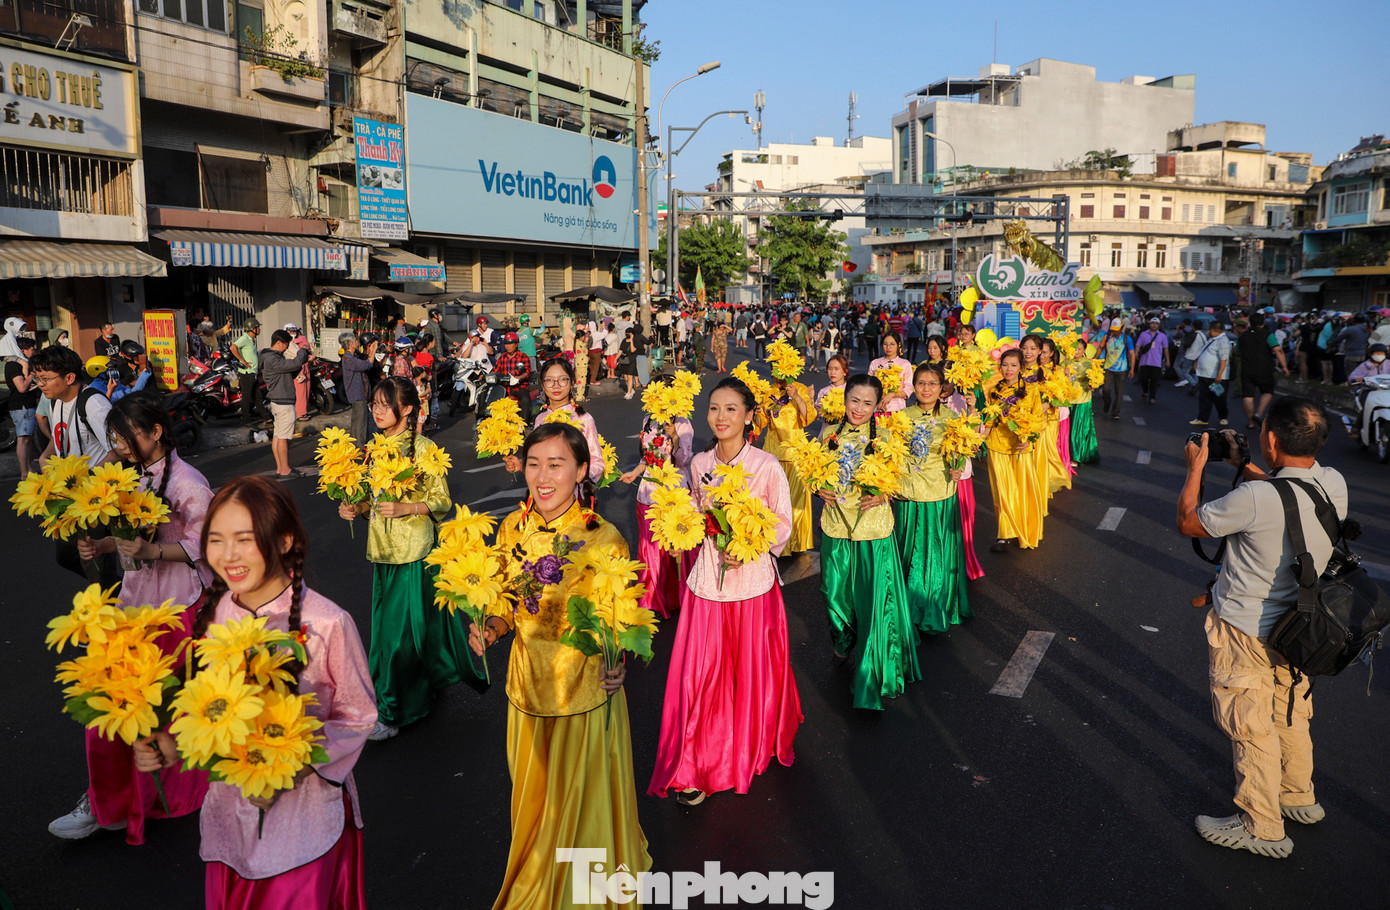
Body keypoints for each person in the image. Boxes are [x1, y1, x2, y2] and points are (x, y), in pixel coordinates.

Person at [135, 476, 376, 905]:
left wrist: (293, 768)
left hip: (303, 824)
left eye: (244, 539)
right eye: (216, 540)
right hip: (231, 817)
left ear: (284, 541)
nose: (228, 556)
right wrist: (173, 745)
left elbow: (357, 716)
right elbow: (208, 707)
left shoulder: (326, 623)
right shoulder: (217, 611)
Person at [470, 423, 651, 906]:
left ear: (582, 471)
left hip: (584, 694)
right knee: (536, 807)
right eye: (534, 464)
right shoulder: (511, 528)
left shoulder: (604, 538)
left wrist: (619, 660)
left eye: (556, 464)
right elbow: (506, 600)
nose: (543, 476)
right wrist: (491, 626)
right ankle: (538, 872)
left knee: (579, 813)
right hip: (527, 692)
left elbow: (619, 615)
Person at [1177, 397, 1347, 859]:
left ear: (1271, 439)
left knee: (1250, 724)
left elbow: (1190, 522)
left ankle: (1262, 826)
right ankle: (1297, 797)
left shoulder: (1253, 498)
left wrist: (1196, 466)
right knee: (1290, 710)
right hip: (1303, 626)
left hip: (1247, 629)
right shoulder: (1333, 482)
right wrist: (1244, 463)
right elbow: (1288, 498)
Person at [52, 392, 214, 844]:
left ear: (156, 432)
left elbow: (208, 547)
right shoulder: (134, 476)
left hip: (175, 613)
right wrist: (103, 545)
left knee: (156, 711)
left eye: (126, 438)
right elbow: (129, 532)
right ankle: (106, 798)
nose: (119, 446)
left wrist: (152, 550)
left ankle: (146, 798)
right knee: (108, 705)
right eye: (115, 439)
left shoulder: (189, 483)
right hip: (130, 605)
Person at [649, 377, 801, 805]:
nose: (720, 417)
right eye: (714, 408)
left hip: (752, 586)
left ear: (749, 416)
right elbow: (698, 516)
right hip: (708, 586)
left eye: (731, 409)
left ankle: (750, 741)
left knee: (751, 675)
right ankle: (697, 763)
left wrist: (750, 545)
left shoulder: (767, 466)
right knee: (704, 676)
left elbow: (781, 524)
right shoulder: (698, 464)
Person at [338, 377, 481, 741]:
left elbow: (442, 501)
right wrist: (355, 506)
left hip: (414, 551)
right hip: (382, 552)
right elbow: (372, 497)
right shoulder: (372, 449)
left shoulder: (423, 448)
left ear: (407, 409)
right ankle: (419, 686)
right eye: (374, 404)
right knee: (394, 630)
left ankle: (392, 711)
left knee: (394, 637)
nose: (378, 411)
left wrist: (406, 507)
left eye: (385, 405)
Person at [817, 374, 920, 711]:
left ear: (878, 407)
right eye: (854, 401)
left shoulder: (887, 437)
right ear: (844, 399)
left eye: (867, 403)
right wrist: (817, 488)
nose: (858, 409)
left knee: (873, 609)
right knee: (834, 598)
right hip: (835, 529)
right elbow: (813, 473)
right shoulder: (828, 434)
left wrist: (883, 495)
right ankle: (842, 641)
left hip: (873, 534)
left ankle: (872, 675)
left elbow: (904, 481)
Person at [897, 363, 971, 633]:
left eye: (932, 383)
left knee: (937, 554)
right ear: (913, 386)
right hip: (910, 494)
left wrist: (958, 465)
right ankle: (911, 606)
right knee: (911, 553)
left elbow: (961, 452)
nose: (926, 389)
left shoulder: (952, 418)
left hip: (940, 493)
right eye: (921, 383)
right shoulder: (901, 417)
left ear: (942, 389)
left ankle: (937, 604)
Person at [619, 410, 694, 620]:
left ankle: (682, 598)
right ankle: (652, 598)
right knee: (650, 547)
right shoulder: (648, 420)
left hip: (674, 491)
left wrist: (675, 436)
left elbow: (683, 460)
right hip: (649, 492)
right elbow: (648, 457)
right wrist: (636, 472)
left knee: (676, 547)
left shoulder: (682, 422)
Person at [984, 350, 1045, 553]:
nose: (1008, 369)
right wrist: (975, 441)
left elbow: (1038, 419)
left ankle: (1025, 530)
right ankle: (1004, 534)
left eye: (1013, 365)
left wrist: (1029, 439)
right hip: (997, 445)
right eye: (1005, 365)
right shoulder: (993, 391)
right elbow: (989, 421)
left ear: (1021, 367)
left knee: (1022, 491)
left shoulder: (1032, 390)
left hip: (1021, 447)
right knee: (1001, 493)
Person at [509, 358, 605, 483]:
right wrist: (522, 466)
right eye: (549, 380)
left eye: (563, 379)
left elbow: (596, 462)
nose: (556, 385)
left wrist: (578, 477)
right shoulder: (540, 419)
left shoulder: (583, 419)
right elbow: (539, 461)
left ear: (572, 383)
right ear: (542, 385)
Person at [32, 345, 113, 468]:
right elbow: (60, 436)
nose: (40, 384)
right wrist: (45, 456)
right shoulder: (55, 400)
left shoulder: (94, 404)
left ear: (69, 378)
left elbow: (118, 451)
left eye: (45, 379)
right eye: (36, 378)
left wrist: (88, 477)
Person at [260, 329, 311, 477]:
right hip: (283, 402)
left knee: (278, 435)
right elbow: (294, 364)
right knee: (282, 437)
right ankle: (285, 469)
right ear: (278, 343)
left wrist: (303, 359)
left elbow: (290, 370)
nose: (287, 348)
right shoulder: (273, 359)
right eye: (286, 345)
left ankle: (280, 468)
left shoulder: (268, 357)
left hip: (277, 401)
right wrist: (303, 350)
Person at [1238, 312, 1290, 428]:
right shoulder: (1268, 335)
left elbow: (1236, 351)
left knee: (1248, 395)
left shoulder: (1242, 335)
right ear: (1263, 323)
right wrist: (1284, 366)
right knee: (1267, 392)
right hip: (1264, 369)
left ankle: (1250, 422)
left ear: (1250, 322)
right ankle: (1258, 413)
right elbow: (1278, 350)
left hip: (1247, 369)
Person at [5, 334, 39, 478]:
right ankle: (24, 472)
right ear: (23, 350)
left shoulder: (22, 363)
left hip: (27, 404)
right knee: (23, 438)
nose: (34, 352)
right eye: (32, 349)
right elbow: (21, 387)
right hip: (22, 406)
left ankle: (29, 468)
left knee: (28, 438)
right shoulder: (14, 365)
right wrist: (31, 374)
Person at [1191, 320, 1232, 428]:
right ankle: (1202, 418)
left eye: (1209, 329)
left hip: (1215, 376)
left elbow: (1224, 359)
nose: (1208, 331)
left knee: (1219, 397)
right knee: (1204, 398)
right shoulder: (1213, 339)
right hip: (1205, 375)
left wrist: (1219, 375)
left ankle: (1223, 417)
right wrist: (1196, 364)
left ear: (1213, 330)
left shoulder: (1223, 341)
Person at [1345, 343, 1390, 440]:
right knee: (1365, 408)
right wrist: (1358, 379)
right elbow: (1353, 376)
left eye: (1381, 353)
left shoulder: (1388, 364)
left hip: (1386, 392)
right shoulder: (1365, 365)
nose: (1379, 355)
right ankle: (1356, 428)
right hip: (1369, 391)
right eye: (1377, 353)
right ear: (1371, 354)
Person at [340, 332, 374, 446]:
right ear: (350, 343)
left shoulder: (352, 356)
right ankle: (359, 449)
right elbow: (367, 364)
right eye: (355, 341)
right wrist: (373, 350)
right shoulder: (348, 358)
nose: (357, 342)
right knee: (360, 424)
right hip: (357, 395)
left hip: (359, 395)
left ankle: (355, 447)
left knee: (357, 423)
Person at [490, 331, 533, 421]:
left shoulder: (523, 357)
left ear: (516, 344)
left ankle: (523, 424)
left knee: (525, 400)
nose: (508, 346)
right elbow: (496, 370)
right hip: (504, 387)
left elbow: (527, 371)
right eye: (506, 344)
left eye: (510, 344)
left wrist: (519, 377)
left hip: (519, 387)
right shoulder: (502, 357)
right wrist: (488, 375)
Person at [867, 332, 914, 412]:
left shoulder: (905, 364)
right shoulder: (875, 363)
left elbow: (908, 388)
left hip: (897, 407)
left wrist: (892, 395)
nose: (888, 347)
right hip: (877, 406)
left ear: (899, 345)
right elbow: (868, 386)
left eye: (892, 344)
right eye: (885, 344)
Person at [1098, 318, 1134, 420]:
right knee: (1106, 390)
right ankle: (1107, 403)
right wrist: (1094, 359)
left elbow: (1132, 354)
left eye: (1116, 329)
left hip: (1121, 370)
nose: (1114, 331)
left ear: (1121, 328)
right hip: (1108, 368)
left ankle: (1115, 412)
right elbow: (1100, 348)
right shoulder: (1108, 336)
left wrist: (1132, 369)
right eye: (1113, 329)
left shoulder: (1127, 339)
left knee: (1119, 392)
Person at [230, 318, 262, 426]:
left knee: (257, 396)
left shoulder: (251, 339)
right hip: (246, 373)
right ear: (252, 329)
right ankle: (245, 420)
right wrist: (243, 361)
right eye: (258, 327)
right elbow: (233, 347)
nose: (259, 329)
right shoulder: (244, 338)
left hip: (252, 372)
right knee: (247, 397)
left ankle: (265, 417)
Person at [1135, 317, 1170, 405]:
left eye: (1156, 323)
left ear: (1158, 325)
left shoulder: (1162, 336)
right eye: (1152, 323)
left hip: (1156, 362)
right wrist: (1135, 354)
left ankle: (1152, 397)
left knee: (1154, 380)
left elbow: (1166, 349)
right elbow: (1138, 345)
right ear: (1149, 324)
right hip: (1144, 361)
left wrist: (1167, 360)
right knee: (1144, 379)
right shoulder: (1143, 334)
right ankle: (1145, 391)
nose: (1154, 325)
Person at [283, 324, 313, 421]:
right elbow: (297, 355)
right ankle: (300, 413)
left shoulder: (297, 341)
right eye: (290, 331)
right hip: (298, 370)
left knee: (306, 391)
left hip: (305, 367)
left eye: (293, 331)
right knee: (300, 392)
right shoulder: (288, 343)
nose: (292, 333)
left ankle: (304, 411)